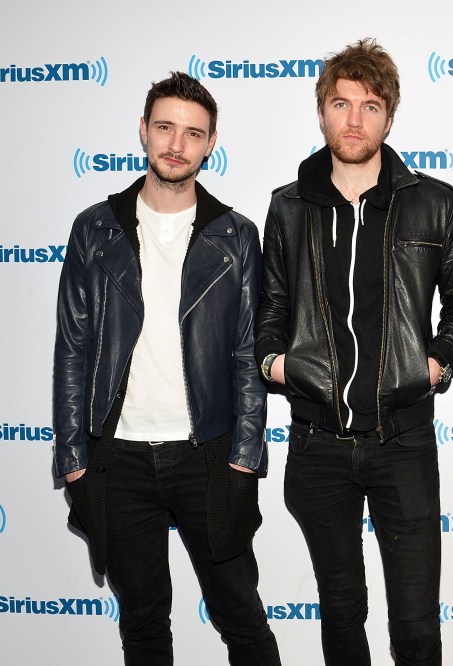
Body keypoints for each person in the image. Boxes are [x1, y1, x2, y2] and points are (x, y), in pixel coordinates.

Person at [255, 38, 453, 666]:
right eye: (341, 104)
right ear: (321, 111)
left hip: (403, 442)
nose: (355, 120)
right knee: (341, 613)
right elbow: (271, 305)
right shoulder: (288, 206)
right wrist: (276, 363)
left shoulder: (433, 201)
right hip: (317, 443)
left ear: (389, 116)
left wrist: (437, 364)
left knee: (415, 624)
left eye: (371, 106)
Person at [53, 72, 280, 665]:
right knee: (144, 624)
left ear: (210, 144)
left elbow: (246, 356)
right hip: (117, 459)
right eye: (165, 127)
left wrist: (244, 456)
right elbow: (72, 349)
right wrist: (74, 460)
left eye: (193, 133)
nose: (176, 144)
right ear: (144, 131)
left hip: (208, 454)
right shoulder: (93, 229)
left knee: (243, 619)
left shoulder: (235, 236)